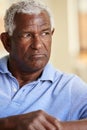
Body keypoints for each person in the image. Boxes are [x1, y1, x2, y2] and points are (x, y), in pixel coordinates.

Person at [0, 0, 87, 129]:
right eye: (27, 35)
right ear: (7, 42)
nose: (38, 45)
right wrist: (9, 124)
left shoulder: (69, 87)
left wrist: (54, 127)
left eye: (45, 33)